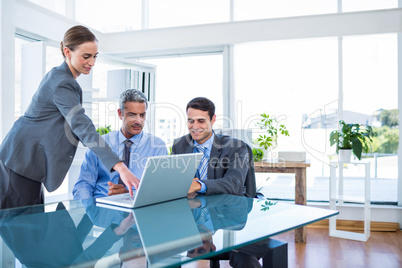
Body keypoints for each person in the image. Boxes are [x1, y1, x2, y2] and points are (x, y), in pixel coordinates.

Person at [0, 25, 138, 209]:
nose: (92, 62)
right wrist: (120, 167)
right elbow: (82, 126)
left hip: (25, 162)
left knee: (31, 224)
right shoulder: (62, 82)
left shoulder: (62, 78)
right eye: (86, 56)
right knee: (21, 227)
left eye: (95, 56)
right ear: (67, 52)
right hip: (22, 161)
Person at [73, 89, 167, 200]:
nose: (138, 121)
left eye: (142, 115)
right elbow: (83, 185)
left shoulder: (157, 147)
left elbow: (161, 190)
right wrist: (90, 212)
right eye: (132, 115)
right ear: (120, 113)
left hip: (137, 210)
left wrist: (128, 194)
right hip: (102, 208)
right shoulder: (100, 144)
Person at [171, 97, 250, 196]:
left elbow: (235, 184)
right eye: (191, 121)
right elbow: (174, 181)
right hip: (191, 206)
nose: (195, 127)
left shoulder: (235, 147)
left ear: (213, 119)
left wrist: (199, 185)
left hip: (225, 207)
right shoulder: (179, 145)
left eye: (201, 121)